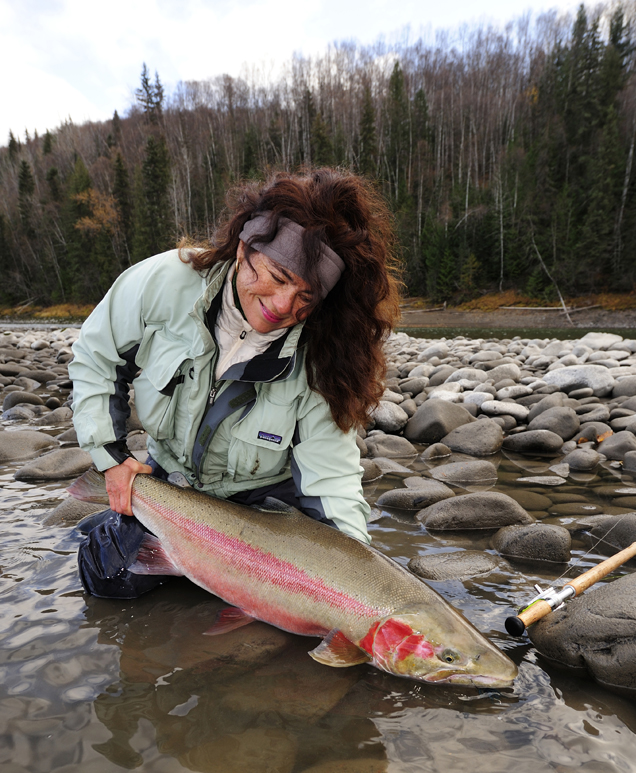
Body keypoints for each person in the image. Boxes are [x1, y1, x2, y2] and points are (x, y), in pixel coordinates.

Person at [70, 168, 400, 598]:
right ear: (245, 249)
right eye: (279, 278)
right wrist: (111, 461)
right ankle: (127, 522)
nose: (283, 306)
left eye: (306, 297)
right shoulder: (162, 283)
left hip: (263, 504)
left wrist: (360, 583)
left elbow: (331, 478)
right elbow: (97, 358)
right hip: (173, 482)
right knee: (107, 579)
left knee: (295, 602)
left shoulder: (325, 356)